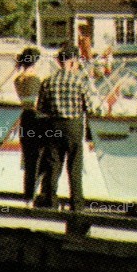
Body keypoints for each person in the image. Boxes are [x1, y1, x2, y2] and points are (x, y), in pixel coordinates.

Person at [36, 46, 94, 211]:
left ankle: (50, 201)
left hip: (53, 125)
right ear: (73, 61)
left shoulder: (48, 82)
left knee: (53, 164)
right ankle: (76, 204)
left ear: (59, 62)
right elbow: (89, 107)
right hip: (73, 126)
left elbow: (41, 109)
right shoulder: (79, 82)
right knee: (74, 166)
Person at [12, 47, 44, 203]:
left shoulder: (18, 80)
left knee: (28, 158)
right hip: (36, 118)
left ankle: (28, 194)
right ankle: (37, 193)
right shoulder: (36, 79)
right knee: (40, 157)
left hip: (24, 117)